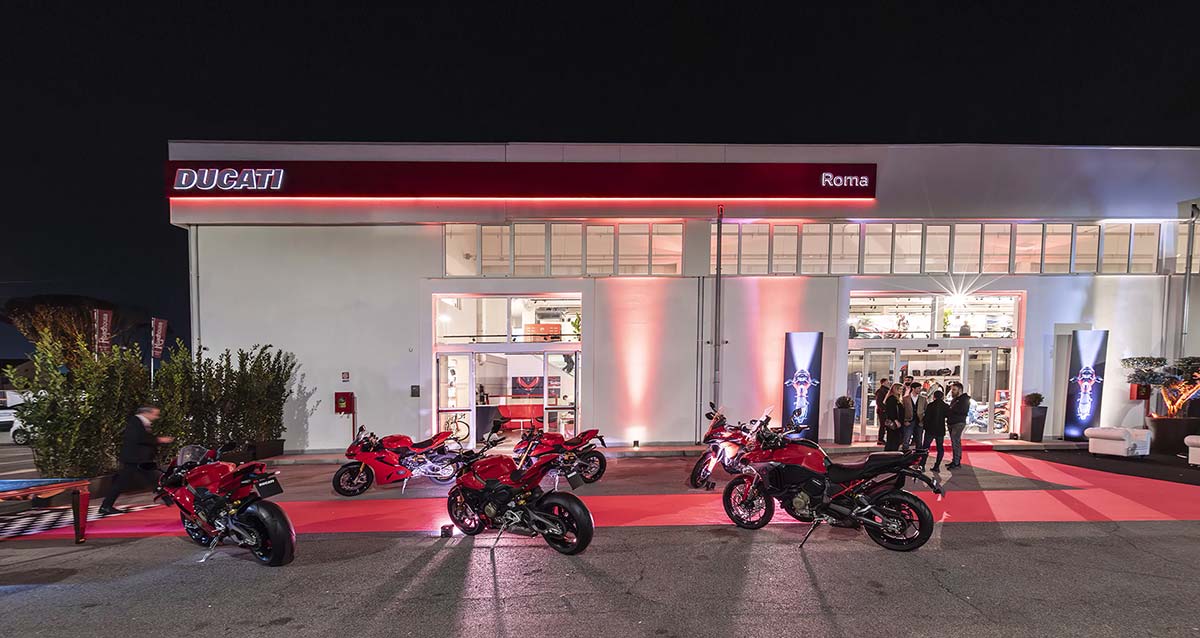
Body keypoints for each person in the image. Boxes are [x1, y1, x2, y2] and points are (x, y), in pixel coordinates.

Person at [100, 406, 173, 515]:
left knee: (152, 479)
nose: (156, 417)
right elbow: (138, 438)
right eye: (154, 414)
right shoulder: (135, 422)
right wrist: (159, 439)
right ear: (146, 413)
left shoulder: (140, 422)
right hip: (133, 459)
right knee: (122, 483)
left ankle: (168, 500)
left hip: (139, 459)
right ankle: (106, 506)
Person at [921, 390, 949, 472]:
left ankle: (922, 464)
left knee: (925, 447)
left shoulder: (930, 405)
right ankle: (937, 466)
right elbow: (948, 416)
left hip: (930, 429)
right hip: (940, 430)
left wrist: (925, 427)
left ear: (934, 397)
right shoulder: (945, 406)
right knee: (940, 448)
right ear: (943, 397)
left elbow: (926, 418)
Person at [946, 382, 971, 469]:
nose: (952, 391)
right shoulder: (955, 399)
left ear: (959, 390)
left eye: (954, 390)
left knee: (955, 442)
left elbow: (962, 411)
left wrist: (951, 410)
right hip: (952, 422)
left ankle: (956, 462)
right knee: (955, 442)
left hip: (958, 423)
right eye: (952, 389)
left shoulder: (964, 400)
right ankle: (955, 460)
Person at [904, 381, 927, 452]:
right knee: (906, 439)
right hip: (908, 421)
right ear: (913, 388)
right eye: (918, 388)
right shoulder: (905, 398)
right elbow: (902, 411)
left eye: (920, 388)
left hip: (919, 421)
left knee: (919, 439)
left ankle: (918, 455)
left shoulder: (923, 398)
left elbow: (926, 409)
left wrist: (923, 420)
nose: (920, 390)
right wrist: (904, 420)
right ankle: (905, 455)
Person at [882, 382, 905, 451]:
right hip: (894, 422)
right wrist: (895, 420)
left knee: (895, 440)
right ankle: (890, 455)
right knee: (893, 440)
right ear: (896, 389)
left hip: (898, 422)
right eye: (900, 389)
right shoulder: (892, 399)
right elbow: (891, 411)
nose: (901, 391)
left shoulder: (897, 399)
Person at [873, 378, 891, 444]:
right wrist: (884, 409)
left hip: (884, 410)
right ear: (883, 383)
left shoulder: (886, 390)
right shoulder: (881, 391)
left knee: (885, 425)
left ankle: (883, 439)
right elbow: (879, 402)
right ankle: (880, 439)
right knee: (883, 425)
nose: (888, 383)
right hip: (882, 411)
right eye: (887, 382)